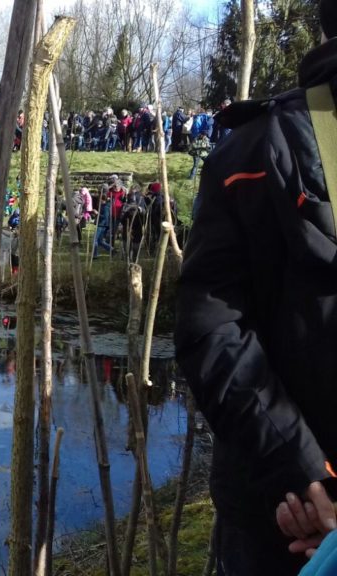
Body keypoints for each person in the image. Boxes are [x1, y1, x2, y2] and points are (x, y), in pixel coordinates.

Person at [176, 4, 337, 573]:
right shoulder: (254, 153)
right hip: (285, 513)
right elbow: (213, 328)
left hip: (280, 507)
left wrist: (308, 480)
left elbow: (211, 331)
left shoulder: (247, 147)